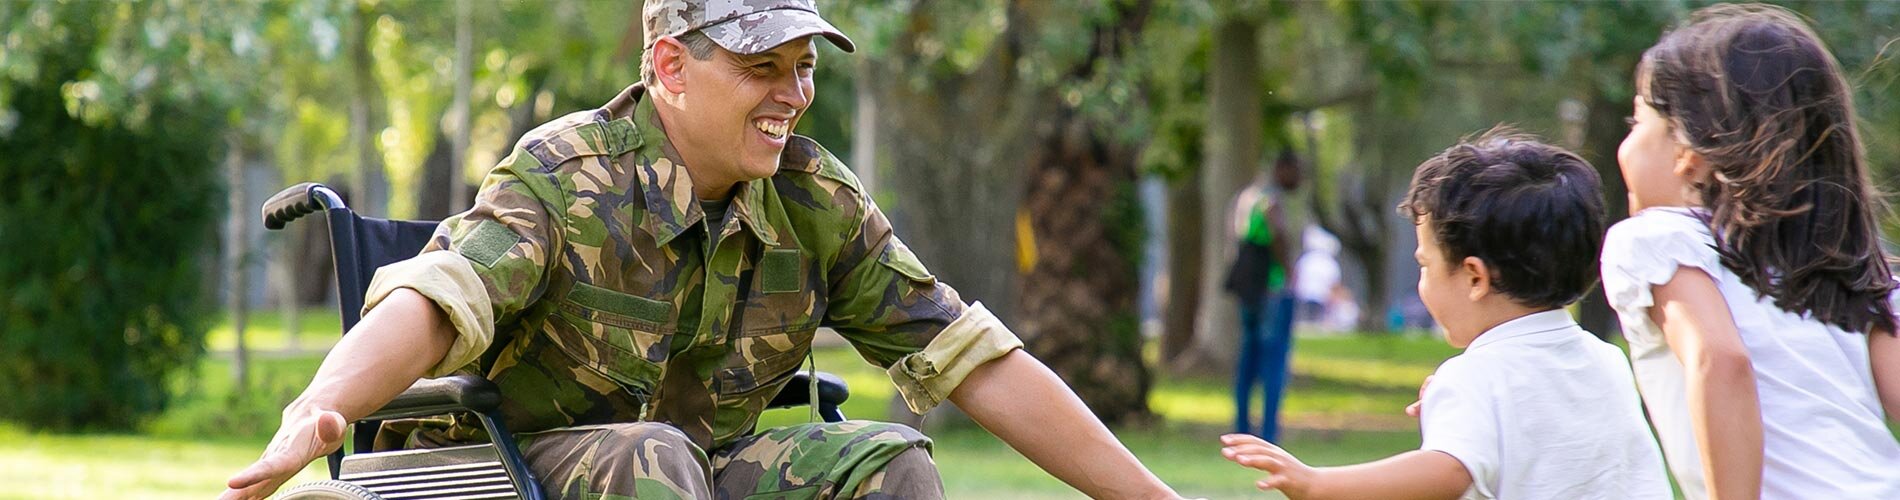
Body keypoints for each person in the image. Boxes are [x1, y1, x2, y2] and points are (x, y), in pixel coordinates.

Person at [221, 1, 1182, 499]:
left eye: (803, 69)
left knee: (888, 460)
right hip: (490, 469)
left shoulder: (813, 198)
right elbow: (440, 299)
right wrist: (320, 407)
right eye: (762, 67)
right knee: (653, 460)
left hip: (685, 471)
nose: (793, 94)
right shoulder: (570, 171)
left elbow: (974, 360)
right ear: (671, 67)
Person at [1222, 130, 1671, 500]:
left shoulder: (1474, 377)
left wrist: (1318, 484)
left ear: (1475, 277)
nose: (1422, 280)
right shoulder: (1608, 363)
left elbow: (1446, 472)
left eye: (1424, 265)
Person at [1600, 4, 1900, 498]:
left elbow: (1719, 360)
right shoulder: (1825, 265)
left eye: (1636, 121)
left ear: (1687, 155)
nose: (1626, 142)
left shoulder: (1651, 241)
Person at [1222, 151, 1301, 441]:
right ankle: (1269, 432)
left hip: (1249, 291)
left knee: (1247, 359)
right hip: (1273, 289)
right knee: (1274, 361)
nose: (1300, 179)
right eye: (1296, 171)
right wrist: (1289, 270)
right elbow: (1276, 231)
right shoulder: (1271, 199)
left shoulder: (1245, 198)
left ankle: (1242, 427)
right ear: (1282, 169)